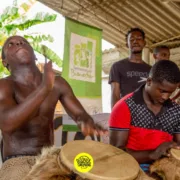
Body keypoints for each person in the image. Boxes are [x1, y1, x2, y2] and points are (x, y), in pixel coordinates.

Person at [0, 35, 107, 180]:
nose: (18, 43)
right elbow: (7, 124)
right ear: (4, 61)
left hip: (51, 158)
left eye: (23, 42)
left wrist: (86, 122)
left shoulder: (57, 83)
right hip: (17, 161)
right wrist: (44, 89)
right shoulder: (4, 85)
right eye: (10, 44)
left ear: (35, 55)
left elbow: (79, 114)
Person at [109, 60, 180, 173]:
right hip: (132, 168)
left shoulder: (176, 111)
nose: (166, 97)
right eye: (162, 91)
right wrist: (153, 154)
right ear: (149, 81)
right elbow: (116, 153)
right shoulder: (124, 106)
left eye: (170, 93)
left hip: (166, 167)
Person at [109, 28, 151, 109]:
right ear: (127, 44)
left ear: (144, 43)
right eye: (132, 39)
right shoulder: (117, 66)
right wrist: (116, 116)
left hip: (146, 115)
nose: (135, 41)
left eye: (139, 38)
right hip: (126, 112)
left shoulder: (151, 70)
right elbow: (115, 94)